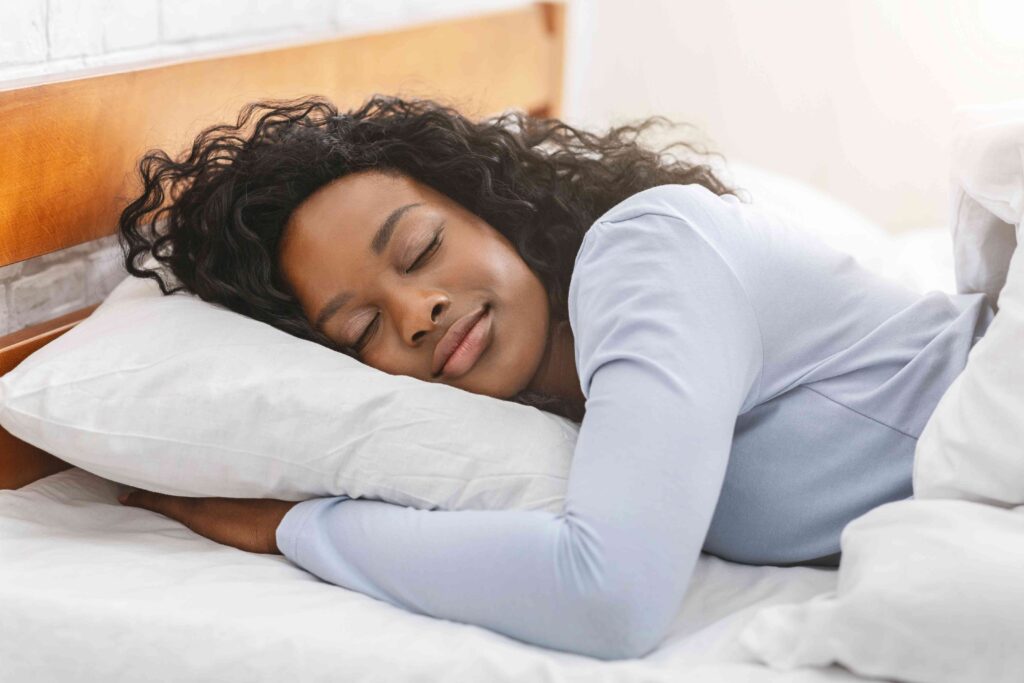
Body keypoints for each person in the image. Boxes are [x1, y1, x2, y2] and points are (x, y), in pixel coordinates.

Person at [115, 94, 994, 660]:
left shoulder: (646, 252)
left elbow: (606, 593)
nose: (418, 310)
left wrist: (294, 528)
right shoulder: (569, 413)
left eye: (421, 249)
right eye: (363, 327)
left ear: (494, 210)